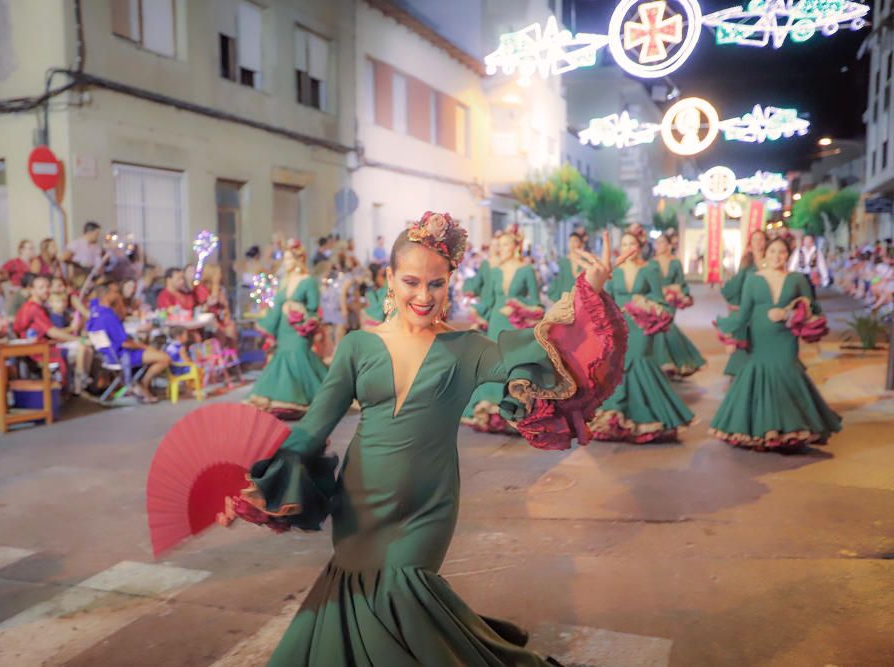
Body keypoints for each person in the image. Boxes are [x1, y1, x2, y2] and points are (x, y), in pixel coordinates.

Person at [220, 211, 630, 666]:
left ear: (449, 282)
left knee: (401, 589)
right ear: (390, 279)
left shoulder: (468, 349)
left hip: (428, 505)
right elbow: (313, 427)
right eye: (412, 281)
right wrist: (256, 488)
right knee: (361, 596)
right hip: (359, 502)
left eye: (436, 284)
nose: (423, 295)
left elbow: (544, 359)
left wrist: (589, 290)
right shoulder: (357, 346)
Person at [712, 237, 841, 451]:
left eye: (781, 252)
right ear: (766, 253)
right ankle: (761, 430)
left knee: (788, 372)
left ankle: (791, 428)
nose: (776, 256)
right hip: (759, 337)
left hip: (785, 337)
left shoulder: (798, 279)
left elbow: (813, 309)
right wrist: (732, 338)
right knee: (758, 376)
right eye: (772, 251)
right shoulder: (753, 279)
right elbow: (743, 314)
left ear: (788, 255)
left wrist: (788, 313)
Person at [589, 232, 695, 443]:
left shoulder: (649, 270)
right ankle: (618, 417)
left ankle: (651, 416)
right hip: (619, 326)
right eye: (624, 243)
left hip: (641, 325)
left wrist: (643, 304)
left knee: (640, 363)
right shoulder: (614, 271)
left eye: (632, 244)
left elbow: (661, 301)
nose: (628, 248)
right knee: (619, 366)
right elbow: (605, 298)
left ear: (639, 247)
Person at [461, 225, 543, 432]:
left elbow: (536, 303)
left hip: (516, 325)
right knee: (494, 365)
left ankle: (514, 412)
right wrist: (478, 312)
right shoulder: (496, 271)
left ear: (516, 246)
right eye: (501, 245)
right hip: (496, 322)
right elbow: (490, 298)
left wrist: (519, 307)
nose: (502, 249)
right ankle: (491, 411)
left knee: (513, 368)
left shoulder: (526, 270)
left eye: (506, 245)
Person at [247, 239, 327, 419]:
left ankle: (317, 397)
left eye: (289, 259)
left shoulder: (308, 282)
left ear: (299, 260)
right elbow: (276, 307)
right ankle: (284, 399)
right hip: (284, 327)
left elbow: (314, 308)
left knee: (299, 357)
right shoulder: (284, 282)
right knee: (282, 358)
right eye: (285, 259)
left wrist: (300, 310)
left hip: (299, 328)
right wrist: (266, 322)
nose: (286, 263)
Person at [86, 283, 169, 403]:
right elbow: (125, 343)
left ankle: (140, 384)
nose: (118, 294)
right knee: (164, 358)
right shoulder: (108, 316)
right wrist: (146, 347)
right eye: (114, 292)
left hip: (106, 355)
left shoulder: (94, 311)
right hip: (121, 355)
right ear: (107, 296)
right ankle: (143, 384)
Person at [648, 233, 706, 379]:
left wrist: (683, 295)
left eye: (662, 242)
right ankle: (672, 363)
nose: (658, 245)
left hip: (670, 300)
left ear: (669, 245)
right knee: (662, 329)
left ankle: (673, 363)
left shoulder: (675, 263)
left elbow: (681, 282)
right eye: (657, 243)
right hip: (655, 299)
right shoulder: (650, 263)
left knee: (667, 326)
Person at [720, 230, 768, 377]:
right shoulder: (746, 262)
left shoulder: (771, 259)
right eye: (755, 239)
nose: (759, 242)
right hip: (749, 307)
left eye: (761, 239)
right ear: (750, 244)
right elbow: (738, 283)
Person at [546, 232, 586, 301]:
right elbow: (557, 282)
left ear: (581, 244)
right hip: (565, 299)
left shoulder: (585, 262)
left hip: (581, 299)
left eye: (575, 241)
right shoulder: (562, 262)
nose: (572, 244)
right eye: (570, 241)